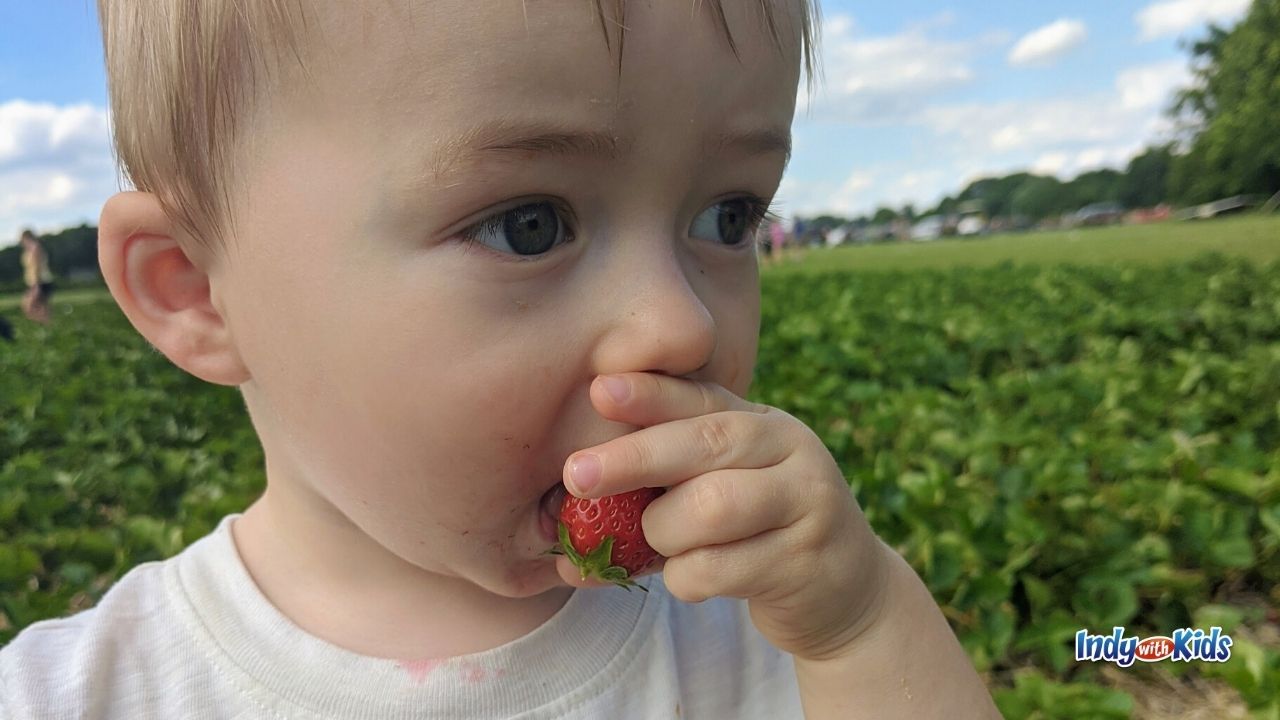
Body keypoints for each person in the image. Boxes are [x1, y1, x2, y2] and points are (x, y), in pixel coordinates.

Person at [0, 2, 1000, 718]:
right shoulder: (80, 695)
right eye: (529, 225)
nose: (680, 325)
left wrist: (861, 629)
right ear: (197, 290)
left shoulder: (767, 633)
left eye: (724, 215)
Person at [18, 229, 54, 325]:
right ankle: (45, 326)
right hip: (35, 282)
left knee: (30, 306)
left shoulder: (35, 248)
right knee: (40, 306)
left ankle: (45, 325)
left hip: (40, 282)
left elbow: (36, 267)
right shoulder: (29, 250)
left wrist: (36, 286)